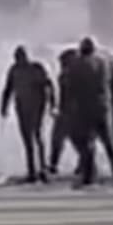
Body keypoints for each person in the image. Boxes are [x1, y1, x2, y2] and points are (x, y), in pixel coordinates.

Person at [65, 37, 113, 189]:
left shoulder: (75, 65)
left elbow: (69, 88)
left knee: (86, 144)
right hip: (104, 106)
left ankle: (89, 176)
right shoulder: (106, 62)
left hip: (83, 108)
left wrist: (68, 108)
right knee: (110, 143)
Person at [0, 45, 54, 183]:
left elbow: (49, 85)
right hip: (22, 108)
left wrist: (52, 104)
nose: (19, 60)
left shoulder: (36, 68)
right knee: (28, 140)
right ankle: (32, 170)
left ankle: (42, 168)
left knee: (36, 136)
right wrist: (4, 108)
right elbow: (8, 89)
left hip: (37, 107)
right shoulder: (14, 70)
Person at [47, 48, 79, 176]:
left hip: (73, 112)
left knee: (76, 140)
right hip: (65, 111)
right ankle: (53, 164)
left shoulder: (74, 75)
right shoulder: (64, 75)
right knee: (57, 140)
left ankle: (84, 164)